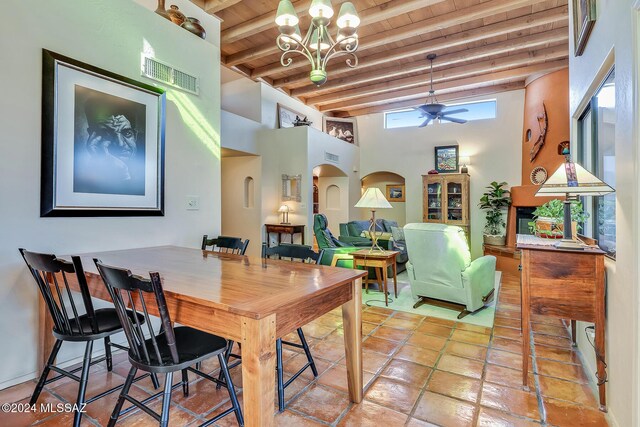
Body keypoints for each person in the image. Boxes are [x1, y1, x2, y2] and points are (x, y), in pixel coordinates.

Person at [74, 89, 146, 195]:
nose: (120, 144)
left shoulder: (150, 172)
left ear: (135, 136)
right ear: (91, 135)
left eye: (127, 133)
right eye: (107, 134)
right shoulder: (81, 176)